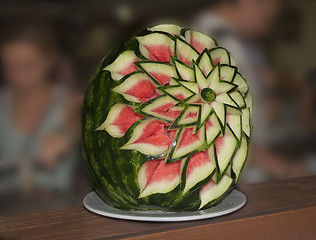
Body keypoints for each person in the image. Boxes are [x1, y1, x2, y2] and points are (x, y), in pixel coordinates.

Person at [193, 0, 309, 182]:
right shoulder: (213, 43)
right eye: (267, 16)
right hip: (235, 182)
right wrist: (285, 168)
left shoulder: (233, 42)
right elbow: (218, 131)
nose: (268, 25)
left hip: (249, 174)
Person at [0, 21, 85, 213]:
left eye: (28, 66)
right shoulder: (2, 102)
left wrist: (68, 133)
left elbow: (85, 116)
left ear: (49, 60)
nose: (17, 75)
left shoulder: (70, 101)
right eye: (9, 66)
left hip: (55, 212)